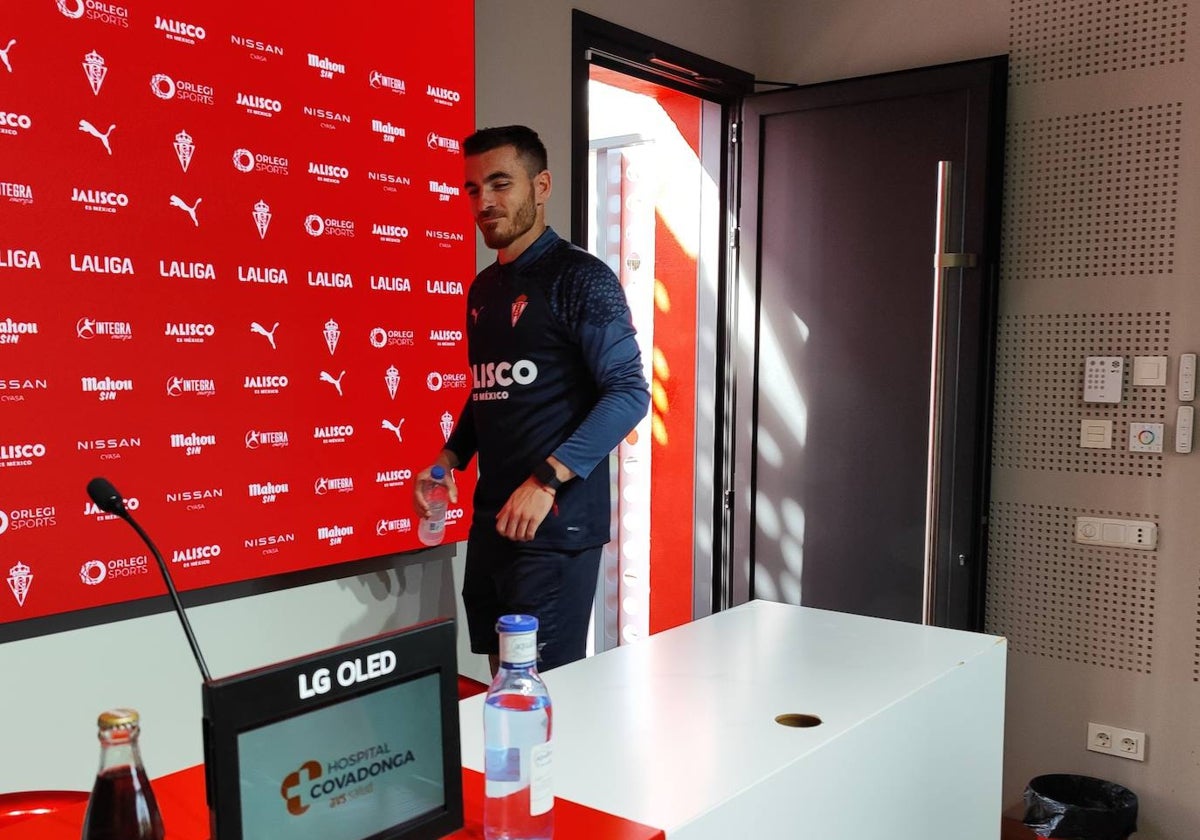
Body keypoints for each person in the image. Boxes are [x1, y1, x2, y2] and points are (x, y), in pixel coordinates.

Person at [413, 125, 649, 674]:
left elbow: (629, 392)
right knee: (503, 686)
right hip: (493, 525)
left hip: (555, 529)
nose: (485, 202)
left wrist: (545, 480)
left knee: (544, 694)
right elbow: (492, 389)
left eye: (501, 183)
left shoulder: (580, 277)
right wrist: (448, 460)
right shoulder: (483, 288)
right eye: (473, 189)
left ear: (541, 186)